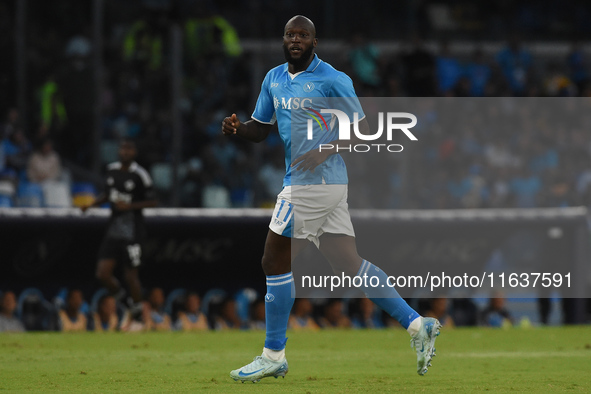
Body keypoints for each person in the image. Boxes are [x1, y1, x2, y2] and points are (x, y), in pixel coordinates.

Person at [222, 15, 441, 382]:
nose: (295, 40)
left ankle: (273, 354)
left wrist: (327, 148)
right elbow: (261, 130)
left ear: (314, 42)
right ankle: (417, 324)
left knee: (274, 261)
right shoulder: (274, 78)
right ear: (284, 39)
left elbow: (365, 129)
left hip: (315, 182)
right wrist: (238, 129)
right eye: (290, 34)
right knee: (348, 263)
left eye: (302, 35)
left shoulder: (333, 79)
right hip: (320, 184)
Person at [81, 139, 157, 319]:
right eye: (123, 148)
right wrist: (93, 204)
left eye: (129, 149)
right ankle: (124, 300)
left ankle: (138, 312)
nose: (125, 152)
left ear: (135, 152)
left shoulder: (141, 175)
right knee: (102, 273)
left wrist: (129, 206)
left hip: (133, 232)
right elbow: (109, 195)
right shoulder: (112, 170)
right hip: (114, 230)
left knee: (131, 276)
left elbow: (153, 201)